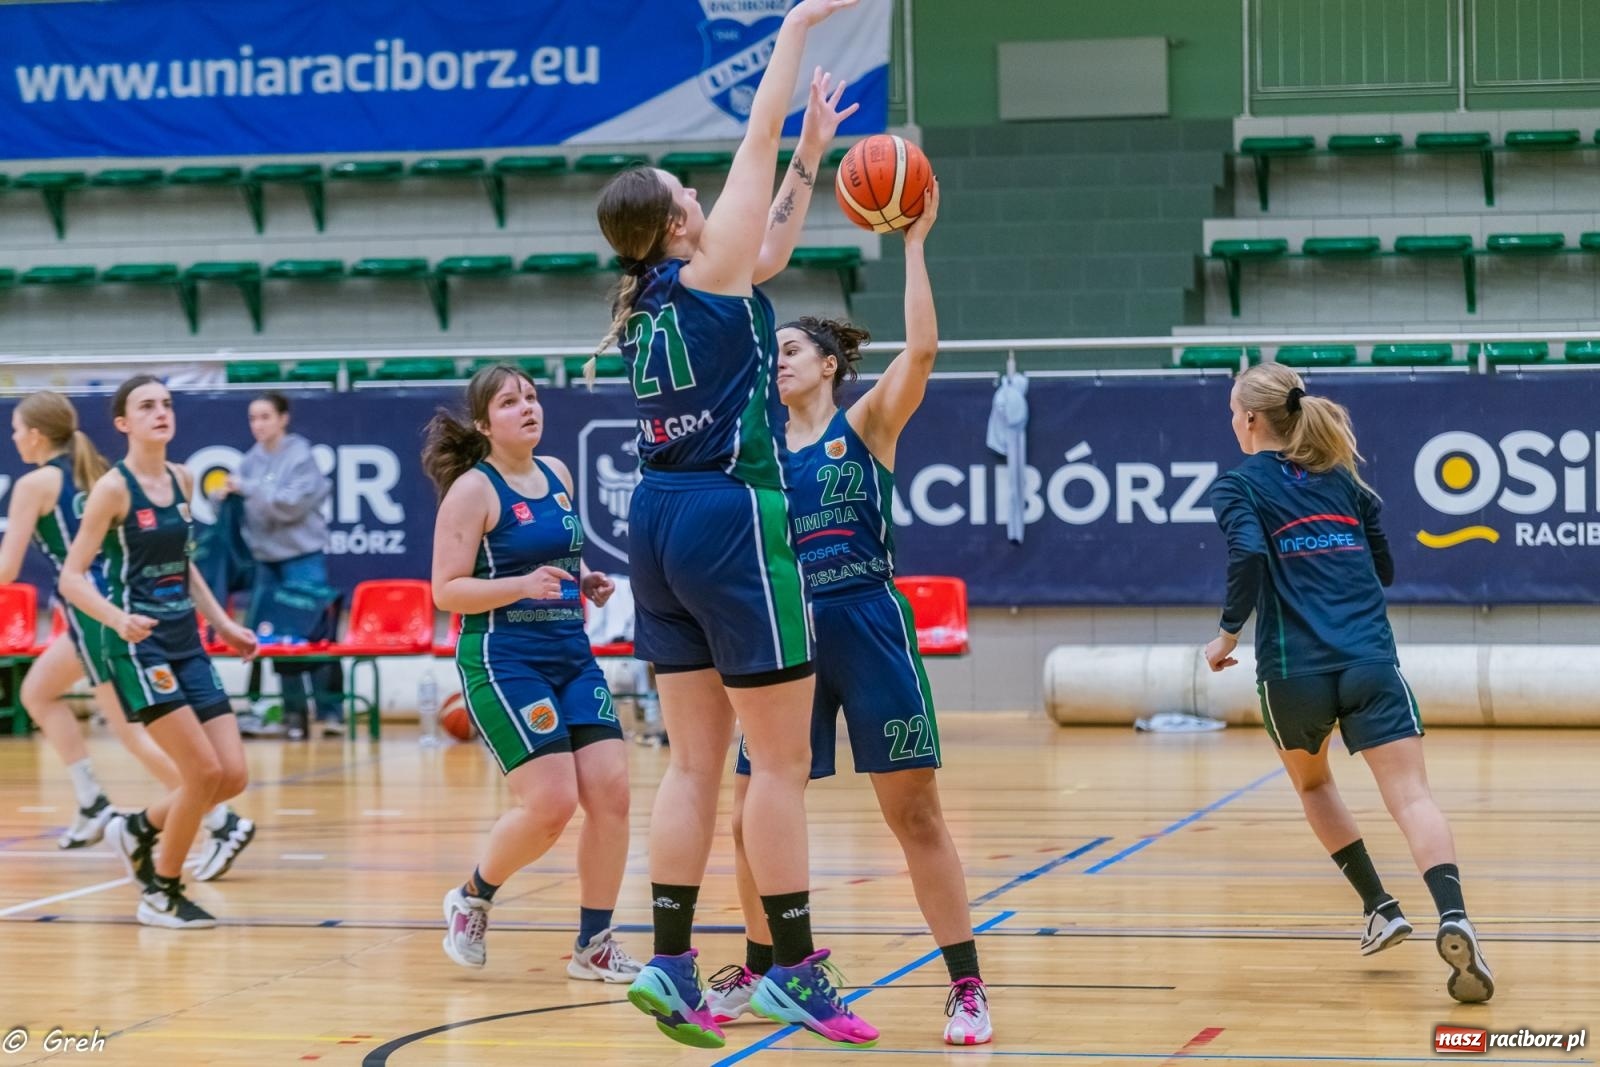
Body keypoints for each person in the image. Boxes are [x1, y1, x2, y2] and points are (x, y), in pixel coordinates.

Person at [595, 0, 877, 1050]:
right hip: (729, 513)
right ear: (675, 223)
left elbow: (766, 238)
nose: (705, 192)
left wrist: (808, 152)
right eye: (689, 192)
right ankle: (795, 969)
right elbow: (747, 142)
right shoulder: (706, 275)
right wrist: (797, 27)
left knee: (692, 765)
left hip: (655, 516)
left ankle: (669, 962)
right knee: (782, 762)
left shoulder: (661, 293)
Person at [706, 186, 988, 1045]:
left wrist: (912, 243)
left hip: (865, 616)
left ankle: (967, 984)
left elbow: (927, 349)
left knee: (915, 815)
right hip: (783, 635)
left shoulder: (866, 426)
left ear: (828, 363)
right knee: (752, 807)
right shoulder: (751, 445)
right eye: (776, 351)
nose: (779, 361)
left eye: (791, 349)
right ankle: (765, 967)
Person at [1203, 362, 1493, 1004]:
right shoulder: (1345, 482)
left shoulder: (1237, 487)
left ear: (1251, 420)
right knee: (1412, 796)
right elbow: (1384, 566)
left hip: (1293, 671)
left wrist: (1225, 635)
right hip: (1369, 661)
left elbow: (1249, 555)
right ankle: (1453, 915)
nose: (1232, 422)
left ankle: (1381, 907)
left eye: (1232, 411)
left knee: (1314, 783)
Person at [424, 363, 640, 982]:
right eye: (511, 401)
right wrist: (521, 585)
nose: (528, 408)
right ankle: (473, 895)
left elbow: (560, 556)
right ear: (485, 423)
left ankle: (594, 943)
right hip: (503, 658)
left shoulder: (559, 475)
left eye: (533, 396)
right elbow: (445, 591)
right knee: (551, 803)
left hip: (570, 652)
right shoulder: (474, 489)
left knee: (613, 795)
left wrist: (586, 578)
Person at [59, 375, 259, 929]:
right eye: (147, 406)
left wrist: (224, 625)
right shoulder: (113, 490)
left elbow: (184, 565)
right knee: (200, 772)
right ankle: (161, 892)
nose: (161, 413)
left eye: (167, 404)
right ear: (123, 423)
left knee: (232, 776)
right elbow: (73, 579)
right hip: (139, 647)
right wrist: (118, 619)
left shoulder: (183, 477)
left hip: (187, 641)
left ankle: (139, 827)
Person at [0, 392, 177, 847]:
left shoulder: (35, 484)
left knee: (132, 733)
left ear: (36, 435)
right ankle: (92, 800)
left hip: (94, 611)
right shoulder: (96, 471)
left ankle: (217, 816)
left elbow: (6, 571)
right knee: (37, 693)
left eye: (17, 429)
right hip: (112, 601)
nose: (14, 437)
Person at [227, 392, 340, 740]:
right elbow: (255, 510)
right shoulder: (249, 461)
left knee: (315, 636)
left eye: (265, 417)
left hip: (302, 559)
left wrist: (248, 490)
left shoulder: (300, 456)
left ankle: (331, 711)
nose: (258, 424)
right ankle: (293, 714)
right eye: (252, 418)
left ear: (282, 419)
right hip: (266, 562)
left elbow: (289, 505)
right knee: (275, 639)